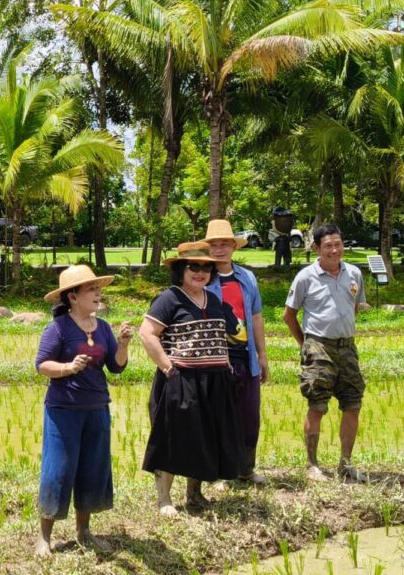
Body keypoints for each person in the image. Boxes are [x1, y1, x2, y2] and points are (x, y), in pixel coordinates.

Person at [139, 241, 243, 517]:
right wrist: (168, 368)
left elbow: (222, 336)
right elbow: (147, 333)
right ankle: (164, 499)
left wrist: (226, 367)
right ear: (181, 270)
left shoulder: (214, 300)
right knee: (173, 438)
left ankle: (194, 495)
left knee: (205, 437)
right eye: (193, 267)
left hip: (214, 380)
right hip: (181, 379)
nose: (200, 272)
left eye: (206, 268)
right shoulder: (169, 299)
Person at [34, 265, 132, 556]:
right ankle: (44, 537)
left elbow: (116, 367)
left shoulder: (102, 328)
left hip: (96, 407)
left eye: (98, 288)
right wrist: (67, 368)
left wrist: (123, 344)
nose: (98, 293)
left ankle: (84, 531)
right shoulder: (58, 328)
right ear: (73, 297)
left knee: (92, 468)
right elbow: (42, 365)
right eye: (91, 289)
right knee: (59, 469)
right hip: (63, 410)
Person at [283, 224, 368, 483]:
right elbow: (289, 315)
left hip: (347, 347)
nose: (334, 250)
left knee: (353, 403)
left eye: (338, 244)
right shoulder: (306, 277)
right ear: (316, 248)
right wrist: (305, 344)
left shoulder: (354, 273)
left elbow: (355, 307)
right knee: (317, 404)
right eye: (328, 246)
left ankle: (346, 464)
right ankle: (312, 465)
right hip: (318, 346)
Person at [201, 220, 269, 484]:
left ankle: (246, 469)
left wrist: (262, 356)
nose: (219, 249)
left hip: (246, 358)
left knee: (249, 417)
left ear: (233, 247)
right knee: (218, 417)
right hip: (216, 360)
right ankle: (220, 474)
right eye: (214, 245)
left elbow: (256, 316)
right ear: (208, 248)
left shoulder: (247, 277)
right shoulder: (202, 278)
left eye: (224, 244)